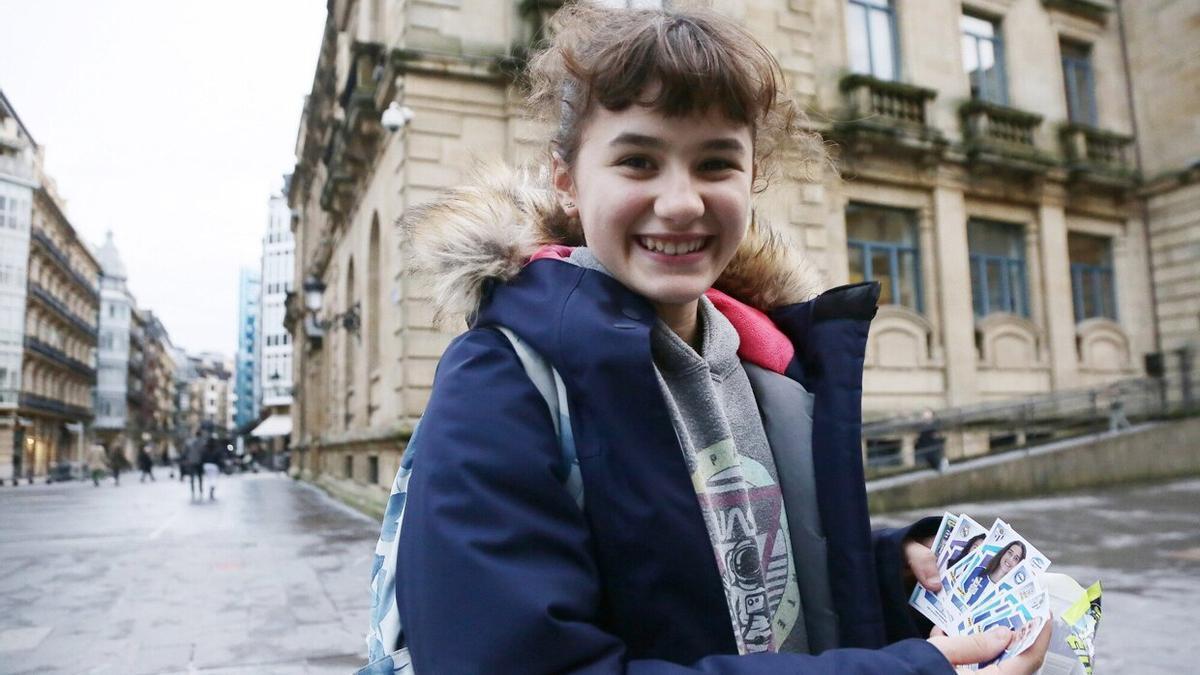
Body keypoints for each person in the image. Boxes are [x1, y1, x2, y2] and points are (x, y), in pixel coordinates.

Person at [367, 4, 1050, 674]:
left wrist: (891, 564)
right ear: (567, 179)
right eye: (637, 161)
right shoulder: (502, 378)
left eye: (716, 163)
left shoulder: (772, 367)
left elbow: (745, 570)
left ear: (754, 177)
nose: (681, 202)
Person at [960, 542, 1027, 607]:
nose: (1010, 559)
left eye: (1016, 558)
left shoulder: (1004, 595)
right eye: (1010, 553)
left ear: (1018, 565)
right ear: (1003, 553)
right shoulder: (977, 571)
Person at [185, 430, 205, 500]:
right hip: (199, 461)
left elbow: (187, 451)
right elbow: (202, 451)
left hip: (191, 461)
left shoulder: (190, 442)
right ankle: (200, 490)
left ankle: (193, 491)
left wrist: (188, 459)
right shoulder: (202, 442)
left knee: (192, 477)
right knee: (200, 477)